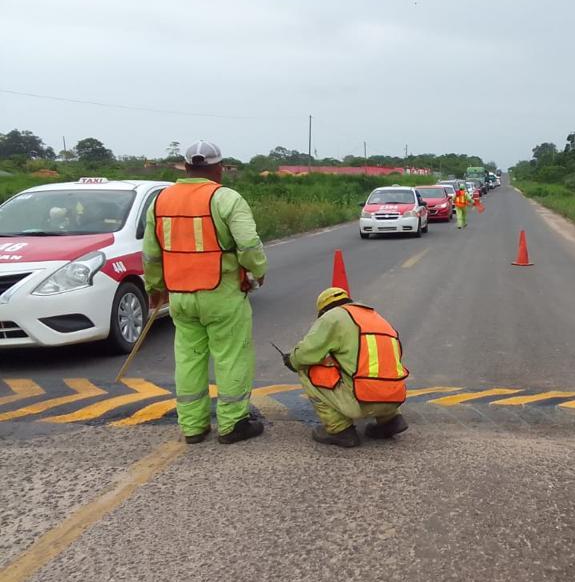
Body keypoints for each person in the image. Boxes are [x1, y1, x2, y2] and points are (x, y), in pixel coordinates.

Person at [143, 140, 268, 445]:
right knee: (231, 356)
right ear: (218, 168)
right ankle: (232, 423)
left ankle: (193, 426)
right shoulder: (226, 198)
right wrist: (258, 271)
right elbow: (249, 244)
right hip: (221, 294)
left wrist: (155, 288)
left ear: (185, 167)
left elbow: (150, 254)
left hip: (181, 298)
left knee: (188, 359)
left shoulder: (161, 201)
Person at [282, 287, 409, 447]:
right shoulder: (376, 317)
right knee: (373, 368)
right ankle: (390, 419)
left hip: (362, 399)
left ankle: (339, 430)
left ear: (323, 310)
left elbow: (306, 353)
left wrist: (291, 360)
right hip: (394, 397)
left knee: (305, 367)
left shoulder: (332, 318)